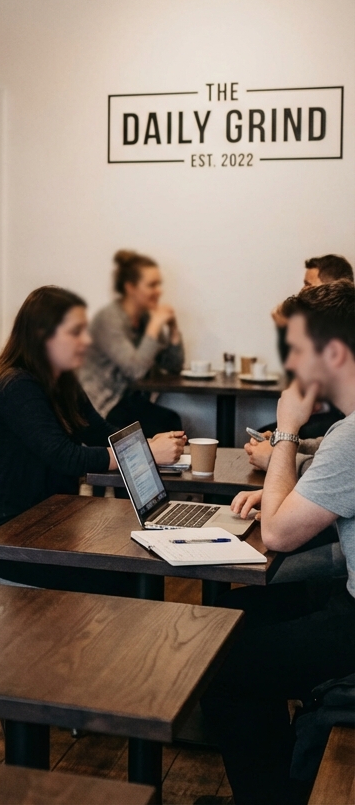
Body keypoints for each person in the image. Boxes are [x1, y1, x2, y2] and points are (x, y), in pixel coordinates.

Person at [202, 280, 355, 805]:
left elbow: (278, 532)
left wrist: (287, 427)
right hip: (344, 596)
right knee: (241, 621)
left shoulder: (353, 435)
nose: (288, 363)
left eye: (295, 348)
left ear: (332, 352)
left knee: (222, 668)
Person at [0, 286, 186, 594]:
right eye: (76, 332)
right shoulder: (16, 386)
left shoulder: (61, 380)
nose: (86, 340)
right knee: (124, 578)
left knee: (136, 566)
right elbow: (64, 455)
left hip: (42, 522)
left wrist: (145, 444)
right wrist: (148, 453)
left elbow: (100, 431)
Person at [78, 250, 184, 437]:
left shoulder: (145, 319)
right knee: (165, 424)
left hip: (128, 401)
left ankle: (167, 465)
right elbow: (135, 370)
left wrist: (174, 330)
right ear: (130, 287)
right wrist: (154, 327)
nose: (159, 291)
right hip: (102, 407)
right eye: (152, 285)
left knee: (169, 420)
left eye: (159, 284)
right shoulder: (109, 319)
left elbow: (173, 366)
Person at [268, 254, 352, 438]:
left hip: (332, 418)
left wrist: (286, 435)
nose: (302, 290)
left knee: (271, 436)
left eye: (308, 284)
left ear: (331, 289)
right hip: (326, 415)